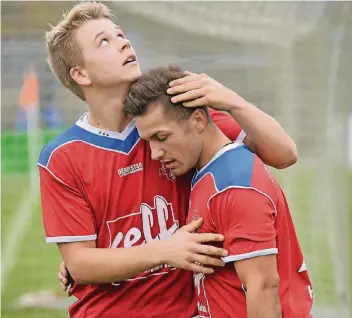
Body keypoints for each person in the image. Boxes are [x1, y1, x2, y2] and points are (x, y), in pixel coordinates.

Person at [42, 2, 298, 317]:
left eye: (120, 34)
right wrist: (164, 251)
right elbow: (80, 263)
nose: (123, 42)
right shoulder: (61, 157)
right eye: (104, 41)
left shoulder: (176, 118)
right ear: (80, 73)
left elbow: (284, 154)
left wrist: (230, 99)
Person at [123, 65, 313, 318]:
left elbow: (263, 289)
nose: (155, 153)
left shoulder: (235, 184)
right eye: (149, 141)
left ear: (199, 120)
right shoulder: (205, 169)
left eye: (162, 137)